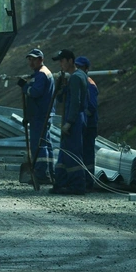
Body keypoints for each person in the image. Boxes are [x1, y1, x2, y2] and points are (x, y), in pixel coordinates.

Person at [50, 49, 88, 195]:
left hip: (75, 119)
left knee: (73, 153)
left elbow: (75, 103)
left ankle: (77, 186)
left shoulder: (77, 78)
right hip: (73, 118)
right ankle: (61, 182)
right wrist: (62, 87)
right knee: (64, 152)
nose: (61, 64)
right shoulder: (75, 77)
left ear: (70, 61)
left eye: (62, 61)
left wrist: (69, 122)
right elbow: (63, 98)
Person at [17, 48, 55, 185]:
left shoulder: (41, 75)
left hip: (40, 115)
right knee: (46, 143)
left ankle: (41, 174)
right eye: (30, 59)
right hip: (41, 113)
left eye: (34, 59)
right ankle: (50, 172)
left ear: (41, 60)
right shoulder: (41, 73)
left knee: (39, 145)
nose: (31, 62)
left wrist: (25, 87)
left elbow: (35, 93)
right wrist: (28, 115)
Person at [75, 56, 98, 191]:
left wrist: (83, 117)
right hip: (85, 123)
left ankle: (88, 181)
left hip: (89, 125)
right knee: (83, 152)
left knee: (88, 152)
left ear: (87, 69)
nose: (78, 69)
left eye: (81, 67)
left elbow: (92, 106)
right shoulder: (82, 81)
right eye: (77, 67)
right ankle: (84, 179)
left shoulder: (89, 84)